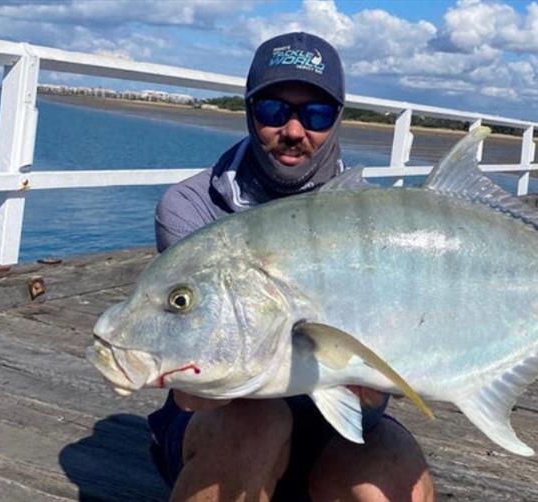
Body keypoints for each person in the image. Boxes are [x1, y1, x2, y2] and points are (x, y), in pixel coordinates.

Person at [147, 32, 435, 502]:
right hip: (224, 415)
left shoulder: (375, 221)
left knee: (397, 477)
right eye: (274, 111)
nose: (295, 131)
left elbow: (391, 365)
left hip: (343, 418)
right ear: (248, 109)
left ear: (338, 119)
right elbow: (191, 387)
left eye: (316, 114)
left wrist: (387, 376)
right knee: (256, 426)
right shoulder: (191, 208)